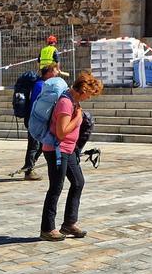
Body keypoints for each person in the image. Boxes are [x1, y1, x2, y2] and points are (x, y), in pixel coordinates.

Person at [40, 71, 104, 241]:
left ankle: (69, 223)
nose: (89, 98)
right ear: (83, 90)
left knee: (78, 182)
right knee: (56, 187)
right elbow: (61, 132)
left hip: (69, 150)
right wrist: (77, 120)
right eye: (89, 94)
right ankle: (47, 229)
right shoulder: (65, 103)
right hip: (57, 150)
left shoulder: (73, 101)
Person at [21, 64, 61, 181]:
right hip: (35, 119)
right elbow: (37, 104)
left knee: (41, 144)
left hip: (40, 119)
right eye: (55, 71)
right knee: (34, 145)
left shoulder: (44, 84)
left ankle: (30, 166)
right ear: (48, 72)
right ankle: (29, 170)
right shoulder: (40, 85)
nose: (57, 73)